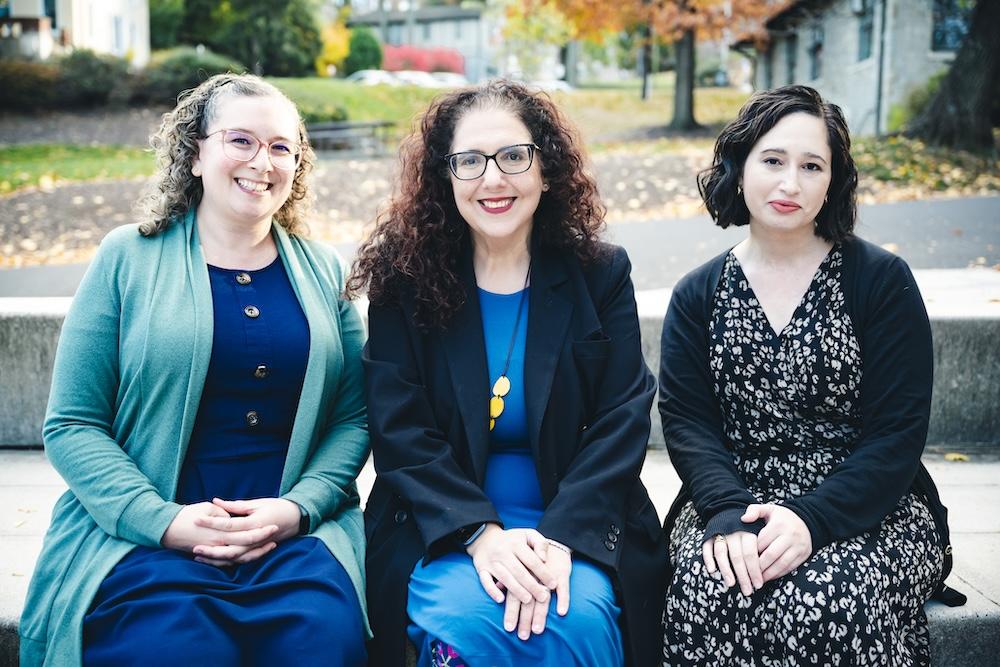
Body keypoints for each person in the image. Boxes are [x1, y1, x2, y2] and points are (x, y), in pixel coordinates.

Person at [19, 73, 370, 666]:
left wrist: (299, 508)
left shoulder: (324, 269)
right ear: (196, 154)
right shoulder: (125, 257)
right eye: (241, 141)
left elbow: (354, 416)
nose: (262, 161)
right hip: (147, 538)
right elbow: (73, 424)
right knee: (173, 648)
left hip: (294, 539)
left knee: (317, 641)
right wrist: (163, 521)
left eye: (281, 147)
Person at [347, 80, 667, 667]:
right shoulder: (403, 281)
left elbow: (622, 418)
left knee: (573, 618)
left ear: (546, 169)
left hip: (574, 522)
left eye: (514, 156)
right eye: (470, 161)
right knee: (471, 626)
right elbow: (400, 429)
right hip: (441, 523)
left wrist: (560, 539)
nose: (492, 179)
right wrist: (480, 535)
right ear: (445, 177)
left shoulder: (599, 273)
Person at [658, 84, 962, 666]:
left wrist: (811, 520)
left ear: (833, 181)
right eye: (773, 161)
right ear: (740, 169)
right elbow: (688, 422)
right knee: (709, 585)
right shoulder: (698, 294)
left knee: (829, 596)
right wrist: (726, 514)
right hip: (734, 497)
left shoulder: (881, 281)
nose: (790, 184)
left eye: (812, 166)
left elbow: (897, 433)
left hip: (870, 502)